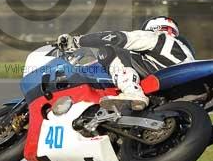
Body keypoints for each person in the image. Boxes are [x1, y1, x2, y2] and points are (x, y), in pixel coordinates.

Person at [57, 16, 195, 111]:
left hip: (165, 75)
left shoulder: (154, 36)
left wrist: (76, 41)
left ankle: (132, 92)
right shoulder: (183, 47)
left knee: (110, 49)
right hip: (182, 83)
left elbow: (116, 38)